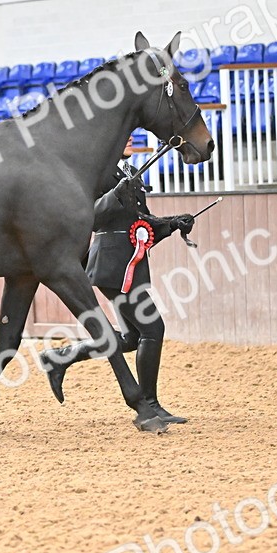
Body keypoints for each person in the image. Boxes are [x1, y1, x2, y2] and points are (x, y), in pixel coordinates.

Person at [40, 138, 195, 424]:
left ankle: (62, 356)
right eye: (124, 134)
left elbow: (140, 224)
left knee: (132, 337)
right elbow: (93, 217)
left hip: (129, 264)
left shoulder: (129, 172)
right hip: (113, 265)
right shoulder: (97, 173)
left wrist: (173, 223)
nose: (131, 138)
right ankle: (149, 403)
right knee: (153, 328)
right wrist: (116, 193)